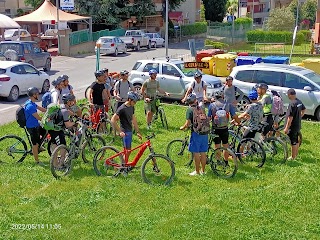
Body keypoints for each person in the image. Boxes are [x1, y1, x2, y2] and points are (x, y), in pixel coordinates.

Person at [208, 90, 239, 164]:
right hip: (224, 128)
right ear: (222, 96)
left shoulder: (212, 105)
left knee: (217, 146)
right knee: (226, 146)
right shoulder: (228, 105)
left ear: (215, 97)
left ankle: (218, 161)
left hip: (215, 128)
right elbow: (234, 116)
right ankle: (226, 162)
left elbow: (209, 118)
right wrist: (239, 122)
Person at [180, 93, 208, 176]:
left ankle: (197, 171)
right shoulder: (201, 108)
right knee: (203, 152)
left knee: (196, 152)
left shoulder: (190, 110)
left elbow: (187, 123)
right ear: (196, 100)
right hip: (205, 132)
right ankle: (203, 171)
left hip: (196, 133)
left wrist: (183, 127)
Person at [111, 91, 142, 156]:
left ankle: (124, 164)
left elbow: (133, 119)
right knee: (127, 151)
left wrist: (138, 131)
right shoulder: (122, 108)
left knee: (128, 150)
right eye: (134, 102)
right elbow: (113, 120)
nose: (135, 103)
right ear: (129, 100)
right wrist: (119, 131)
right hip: (124, 131)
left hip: (129, 130)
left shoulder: (131, 107)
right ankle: (123, 165)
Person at [50, 93, 76, 169]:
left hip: (54, 129)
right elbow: (68, 125)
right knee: (60, 147)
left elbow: (68, 112)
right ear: (68, 102)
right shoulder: (64, 111)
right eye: (72, 101)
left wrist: (73, 114)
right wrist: (75, 123)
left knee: (59, 144)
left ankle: (58, 163)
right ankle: (57, 165)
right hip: (56, 130)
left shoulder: (61, 106)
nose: (73, 102)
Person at [24, 87, 47, 165]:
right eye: (37, 94)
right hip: (32, 127)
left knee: (44, 131)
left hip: (36, 125)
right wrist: (46, 120)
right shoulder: (30, 106)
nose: (38, 95)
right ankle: (37, 161)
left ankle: (39, 146)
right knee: (35, 144)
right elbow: (38, 117)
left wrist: (50, 111)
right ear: (33, 95)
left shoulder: (32, 102)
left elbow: (41, 108)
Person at [283, 88, 306, 160]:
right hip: (297, 124)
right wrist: (300, 116)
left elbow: (290, 117)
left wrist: (286, 128)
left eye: (288, 95)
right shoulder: (299, 101)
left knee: (293, 141)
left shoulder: (292, 103)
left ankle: (292, 157)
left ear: (290, 95)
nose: (288, 96)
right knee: (296, 140)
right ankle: (295, 155)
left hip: (292, 126)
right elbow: (304, 109)